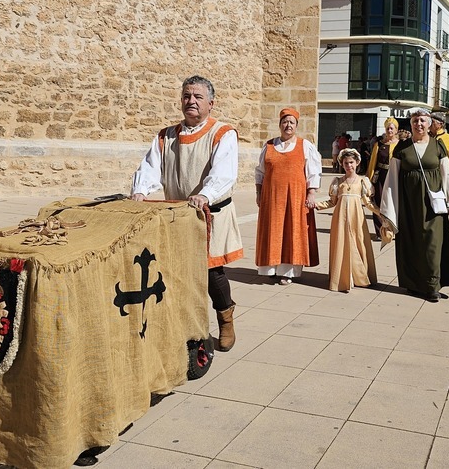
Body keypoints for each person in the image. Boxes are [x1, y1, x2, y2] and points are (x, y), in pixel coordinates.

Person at [131, 75, 241, 352]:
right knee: (175, 273)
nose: (191, 101)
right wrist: (140, 191)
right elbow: (150, 166)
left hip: (209, 215)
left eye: (197, 97)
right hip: (177, 216)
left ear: (210, 103)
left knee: (212, 273)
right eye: (186, 96)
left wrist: (206, 194)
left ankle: (225, 320)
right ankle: (183, 325)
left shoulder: (222, 133)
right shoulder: (166, 135)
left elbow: (224, 173)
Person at [380, 108, 449, 303]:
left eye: (423, 121)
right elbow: (392, 178)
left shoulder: (438, 146)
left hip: (434, 205)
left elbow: (446, 174)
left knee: (433, 243)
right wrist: (389, 208)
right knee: (411, 243)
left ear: (429, 123)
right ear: (411, 124)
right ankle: (414, 284)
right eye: (416, 121)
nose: (419, 125)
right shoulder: (402, 148)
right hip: (408, 204)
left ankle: (432, 286)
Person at [254, 108, 321, 285]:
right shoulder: (269, 145)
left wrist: (311, 193)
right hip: (272, 197)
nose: (288, 125)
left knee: (292, 232)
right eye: (285, 121)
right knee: (273, 230)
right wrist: (259, 192)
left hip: (295, 197)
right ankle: (271, 268)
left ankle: (288, 272)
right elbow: (260, 171)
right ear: (280, 125)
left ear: (296, 126)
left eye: (291, 122)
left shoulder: (304, 146)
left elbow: (313, 172)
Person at [315, 149, 380, 292]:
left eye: (351, 162)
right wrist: (317, 204)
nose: (349, 165)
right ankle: (342, 277)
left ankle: (360, 276)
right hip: (340, 218)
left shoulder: (363, 181)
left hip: (357, 218)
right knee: (341, 244)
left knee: (358, 243)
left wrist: (380, 212)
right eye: (345, 163)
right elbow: (332, 202)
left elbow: (368, 202)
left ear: (357, 163)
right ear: (342, 164)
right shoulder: (338, 182)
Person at [366, 118, 399, 232]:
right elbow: (372, 162)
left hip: (395, 176)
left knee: (394, 202)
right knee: (378, 202)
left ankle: (393, 228)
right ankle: (380, 230)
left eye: (391, 128)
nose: (389, 130)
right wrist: (369, 180)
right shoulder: (379, 144)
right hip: (381, 176)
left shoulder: (401, 145)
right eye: (387, 128)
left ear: (396, 130)